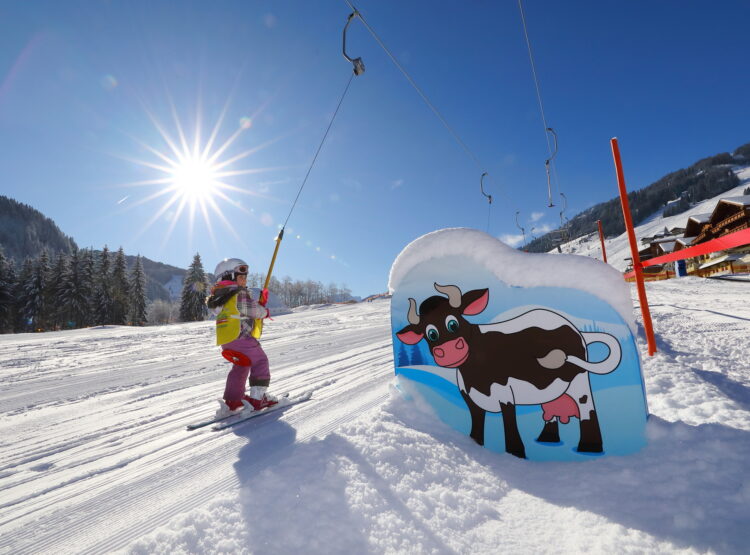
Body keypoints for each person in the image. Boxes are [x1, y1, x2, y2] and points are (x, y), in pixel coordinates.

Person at [206, 258, 278, 414]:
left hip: (227, 342)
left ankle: (233, 399)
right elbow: (254, 311)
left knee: (241, 365)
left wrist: (256, 303)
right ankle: (258, 398)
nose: (245, 280)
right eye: (241, 277)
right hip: (242, 339)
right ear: (228, 278)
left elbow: (239, 311)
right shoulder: (238, 294)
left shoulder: (219, 298)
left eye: (245, 277)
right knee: (260, 361)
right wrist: (263, 310)